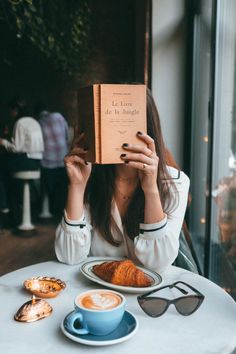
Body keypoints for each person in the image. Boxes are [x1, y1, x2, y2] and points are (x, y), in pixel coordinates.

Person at [54, 88, 190, 272]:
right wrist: (77, 187)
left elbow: (158, 263)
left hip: (149, 296)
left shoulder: (175, 183)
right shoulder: (90, 176)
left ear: (147, 129)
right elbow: (69, 256)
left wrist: (150, 189)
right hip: (97, 293)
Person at [0, 99, 44, 225]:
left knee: (3, 169)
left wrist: (3, 142)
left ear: (15, 110)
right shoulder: (33, 121)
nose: (10, 113)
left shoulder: (20, 122)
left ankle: (4, 207)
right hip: (37, 161)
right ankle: (15, 206)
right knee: (9, 175)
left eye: (11, 111)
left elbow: (16, 148)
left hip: (27, 160)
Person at [34, 103, 69, 216]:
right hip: (63, 158)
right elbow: (67, 136)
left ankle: (47, 209)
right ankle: (62, 210)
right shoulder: (58, 116)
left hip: (48, 162)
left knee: (47, 185)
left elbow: (38, 145)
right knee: (63, 186)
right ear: (47, 109)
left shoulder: (39, 123)